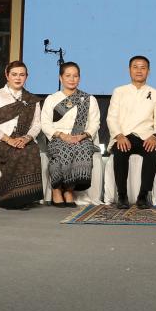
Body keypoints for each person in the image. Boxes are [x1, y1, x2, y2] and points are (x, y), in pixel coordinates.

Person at [106, 54, 156, 209]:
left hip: (146, 136)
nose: (139, 71)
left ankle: (143, 195)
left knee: (152, 152)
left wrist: (155, 136)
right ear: (129, 70)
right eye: (135, 67)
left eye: (143, 68)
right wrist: (119, 135)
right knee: (120, 151)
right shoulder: (119, 91)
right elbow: (111, 117)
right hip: (124, 135)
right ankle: (122, 196)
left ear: (148, 71)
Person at [0, 60, 44, 209]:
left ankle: (27, 195)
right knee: (16, 152)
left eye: (22, 75)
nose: (18, 78)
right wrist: (8, 140)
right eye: (14, 74)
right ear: (7, 75)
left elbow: (37, 125)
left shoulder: (32, 99)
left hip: (23, 138)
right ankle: (10, 198)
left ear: (26, 77)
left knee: (32, 150)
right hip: (0, 140)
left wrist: (26, 138)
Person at [40, 61, 100, 207]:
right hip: (57, 136)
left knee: (83, 148)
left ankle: (69, 190)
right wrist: (62, 135)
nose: (72, 79)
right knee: (62, 149)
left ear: (79, 78)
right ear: (61, 78)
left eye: (75, 76)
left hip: (80, 137)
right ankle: (56, 189)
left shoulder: (89, 99)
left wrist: (83, 136)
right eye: (68, 76)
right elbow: (45, 124)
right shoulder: (52, 99)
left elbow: (95, 123)